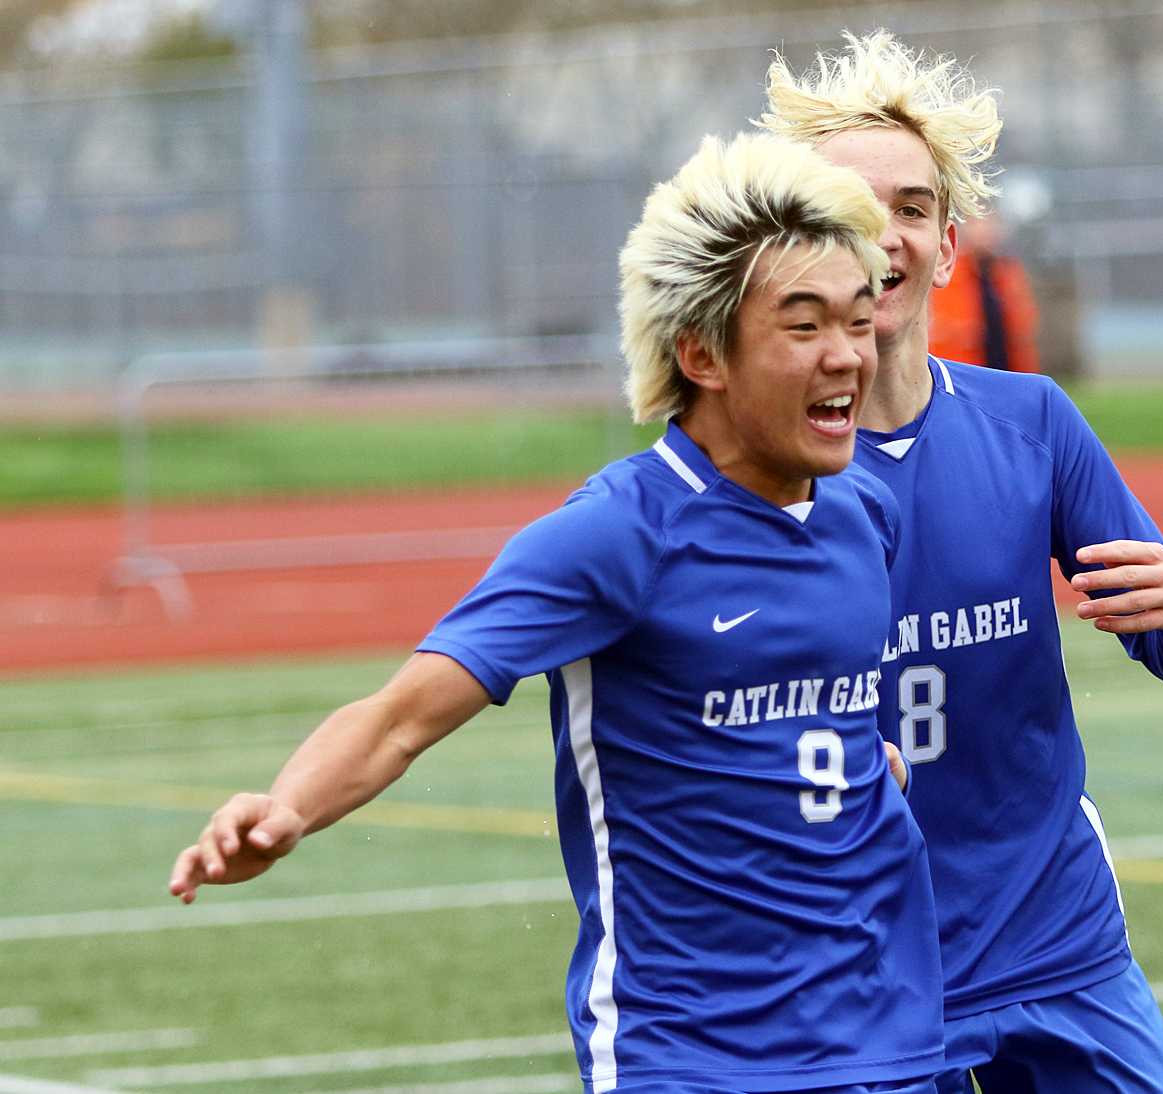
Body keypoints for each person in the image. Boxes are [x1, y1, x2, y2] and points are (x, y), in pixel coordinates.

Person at [167, 132, 947, 1094]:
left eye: (860, 322)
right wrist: (284, 808)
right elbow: (398, 717)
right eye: (804, 327)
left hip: (891, 1038)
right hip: (695, 1057)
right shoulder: (618, 534)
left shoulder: (865, 511)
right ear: (702, 352)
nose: (847, 357)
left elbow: (843, 718)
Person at [760, 32, 1163, 1094]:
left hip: (1055, 944)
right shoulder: (743, 476)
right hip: (856, 969)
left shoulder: (1032, 424)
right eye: (845, 202)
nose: (883, 231)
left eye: (913, 206)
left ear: (948, 242)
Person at [926, 213, 1040, 373]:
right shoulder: (951, 274)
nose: (985, 234)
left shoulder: (1008, 273)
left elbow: (1023, 322)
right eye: (978, 227)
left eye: (990, 227)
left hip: (1006, 362)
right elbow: (946, 328)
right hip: (967, 366)